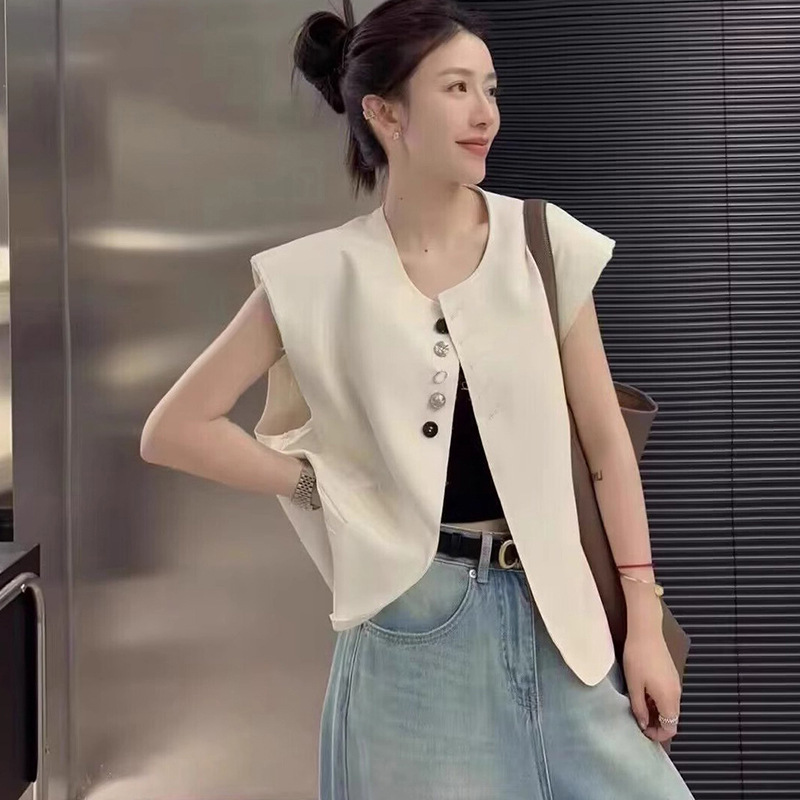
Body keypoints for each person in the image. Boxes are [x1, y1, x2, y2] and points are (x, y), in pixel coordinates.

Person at [141, 0, 696, 797]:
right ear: (385, 112)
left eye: (490, 89)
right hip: (412, 628)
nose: (485, 114)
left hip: (563, 623)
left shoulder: (543, 242)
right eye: (456, 88)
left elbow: (607, 449)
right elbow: (176, 429)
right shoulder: (313, 275)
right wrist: (315, 485)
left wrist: (643, 624)